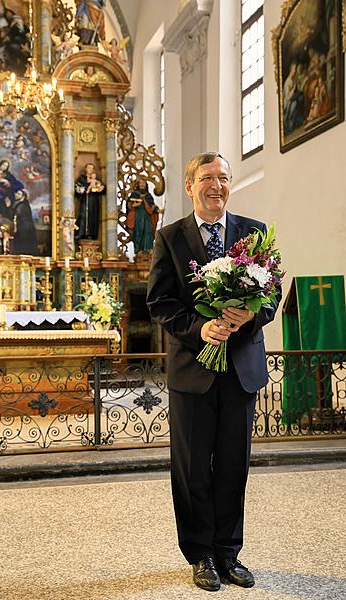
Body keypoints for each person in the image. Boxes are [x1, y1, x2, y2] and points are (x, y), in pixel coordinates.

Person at [146, 152, 280, 592]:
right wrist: (198, 327)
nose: (216, 185)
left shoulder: (254, 233)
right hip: (192, 371)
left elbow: (272, 294)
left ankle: (229, 553)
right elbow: (160, 304)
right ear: (190, 186)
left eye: (223, 177)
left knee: (232, 467)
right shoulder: (169, 238)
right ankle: (200, 554)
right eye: (207, 178)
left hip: (241, 369)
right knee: (192, 469)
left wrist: (249, 317)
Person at [125, 178, 163, 254]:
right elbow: (129, 205)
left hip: (147, 216)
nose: (142, 185)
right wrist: (134, 205)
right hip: (137, 216)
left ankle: (148, 249)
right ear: (138, 185)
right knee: (138, 232)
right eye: (141, 183)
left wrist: (158, 210)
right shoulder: (134, 194)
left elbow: (152, 206)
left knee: (148, 232)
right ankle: (138, 250)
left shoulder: (148, 196)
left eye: (144, 183)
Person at [74, 163, 105, 240]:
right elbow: (78, 188)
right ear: (85, 169)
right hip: (85, 198)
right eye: (89, 168)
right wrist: (86, 188)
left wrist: (101, 188)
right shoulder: (82, 178)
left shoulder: (96, 179)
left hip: (93, 200)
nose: (90, 170)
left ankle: (91, 234)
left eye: (92, 168)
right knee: (83, 214)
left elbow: (101, 188)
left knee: (92, 215)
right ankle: (80, 233)